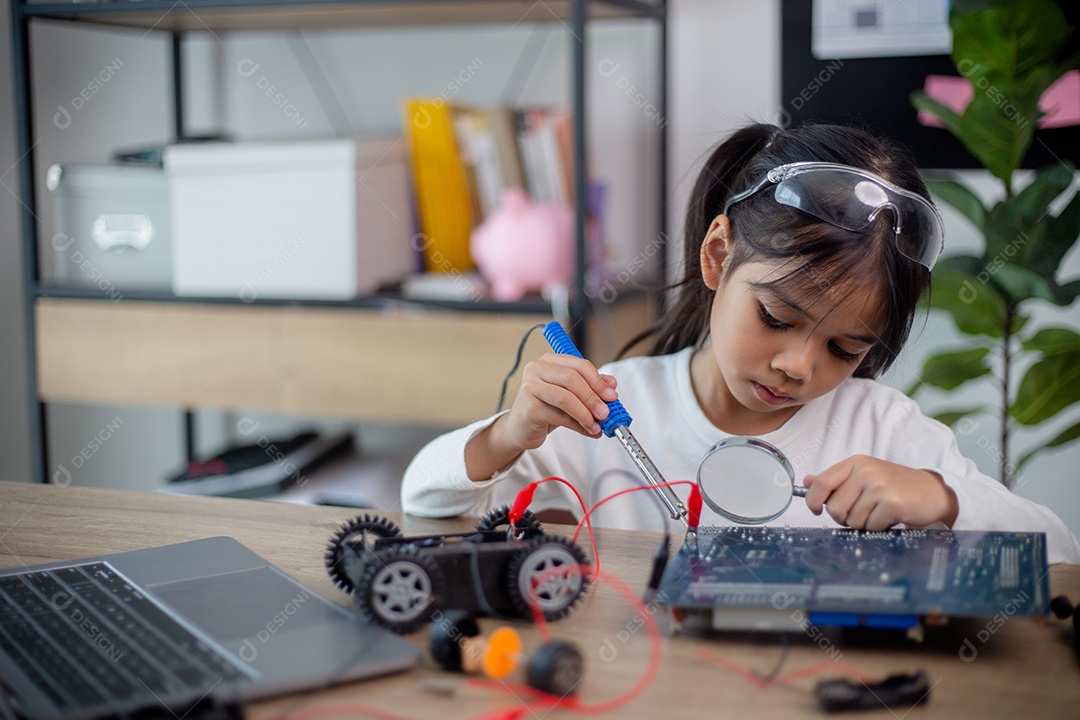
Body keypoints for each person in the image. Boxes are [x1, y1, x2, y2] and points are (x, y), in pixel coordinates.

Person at [401, 122, 1080, 565]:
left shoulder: (880, 428)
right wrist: (510, 432)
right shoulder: (608, 408)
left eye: (846, 350)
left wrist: (941, 498)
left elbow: (1060, 554)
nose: (799, 366)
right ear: (719, 255)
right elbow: (423, 502)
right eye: (777, 318)